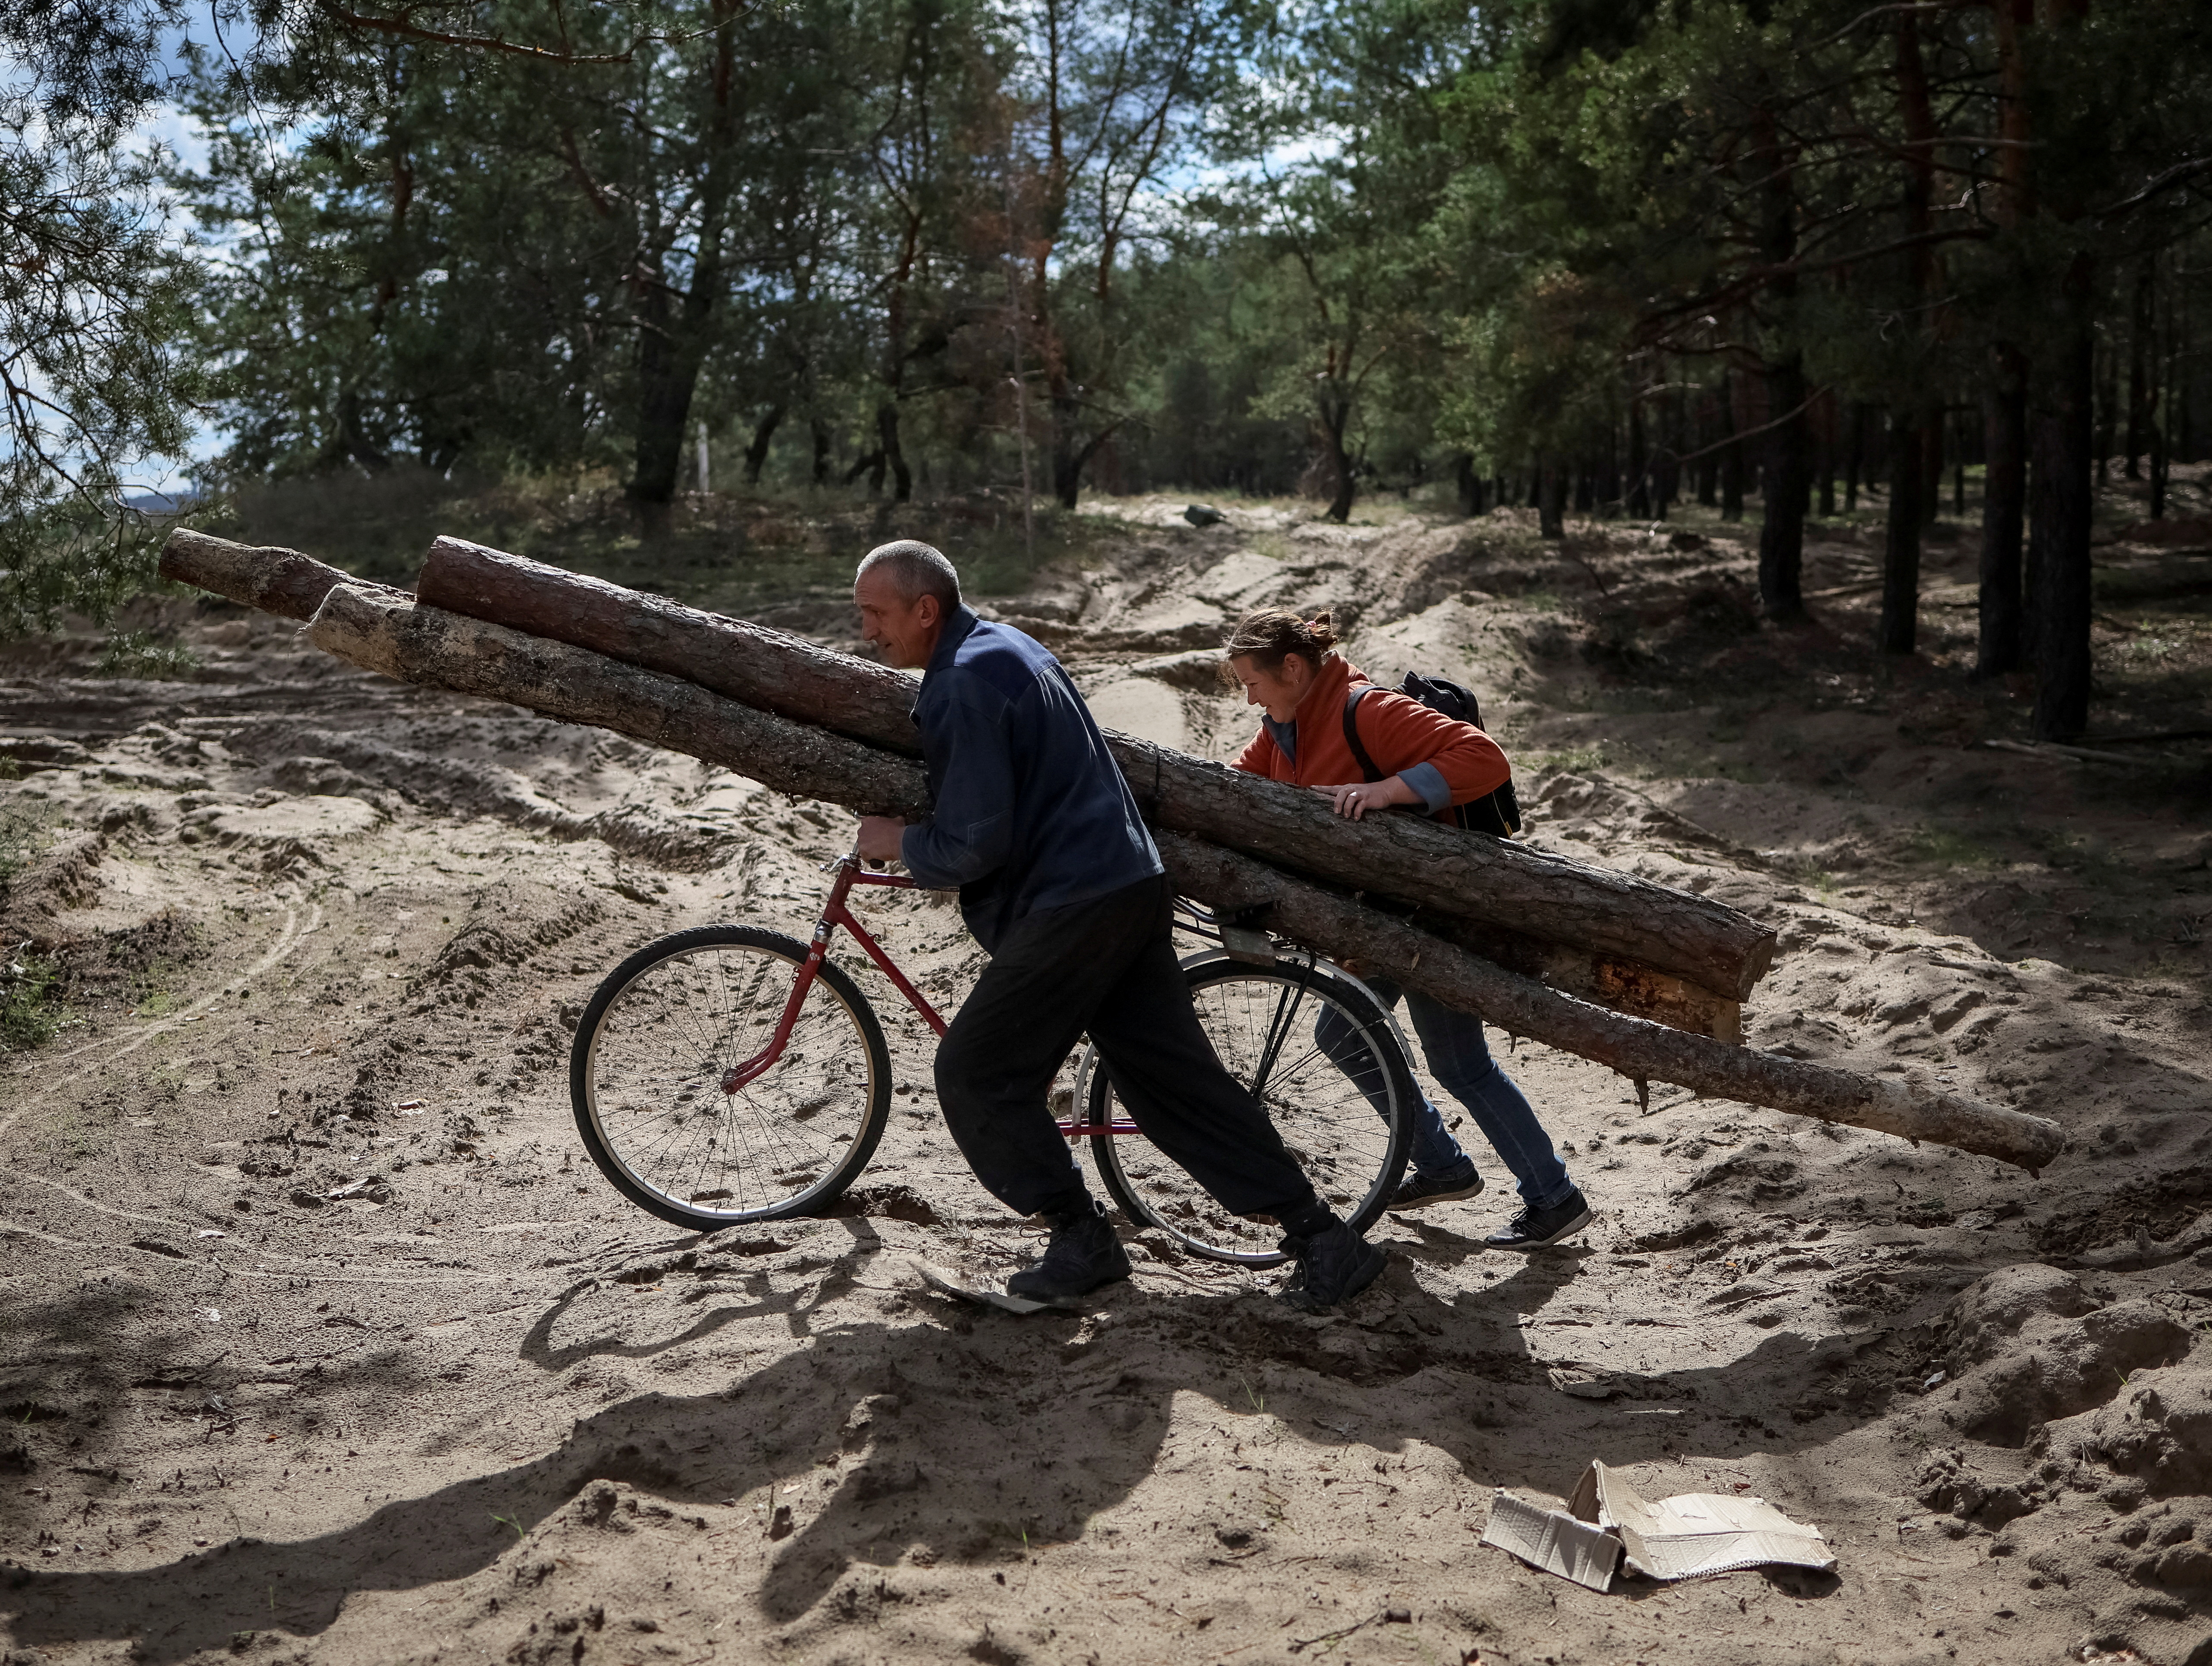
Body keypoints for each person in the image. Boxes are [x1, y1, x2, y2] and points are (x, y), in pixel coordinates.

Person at [850, 542, 1387, 1308]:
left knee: (975, 1071)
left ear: (923, 608)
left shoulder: (962, 683)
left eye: (875, 612)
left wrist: (899, 842)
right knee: (1172, 1078)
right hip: (1125, 881)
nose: (866, 629)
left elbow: (975, 841)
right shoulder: (1005, 645)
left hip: (1073, 900)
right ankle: (1323, 1238)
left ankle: (1079, 1234)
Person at [1222, 606, 1594, 1251]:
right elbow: (1235, 785)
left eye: (1251, 681)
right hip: (1382, 924)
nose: (1247, 696)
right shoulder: (1283, 730)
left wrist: (1391, 789)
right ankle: (1445, 1165)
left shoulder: (1363, 710)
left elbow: (1485, 759)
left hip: (1430, 917)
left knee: (1454, 1062)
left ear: (1291, 667)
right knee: (1349, 1034)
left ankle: (1551, 1197)